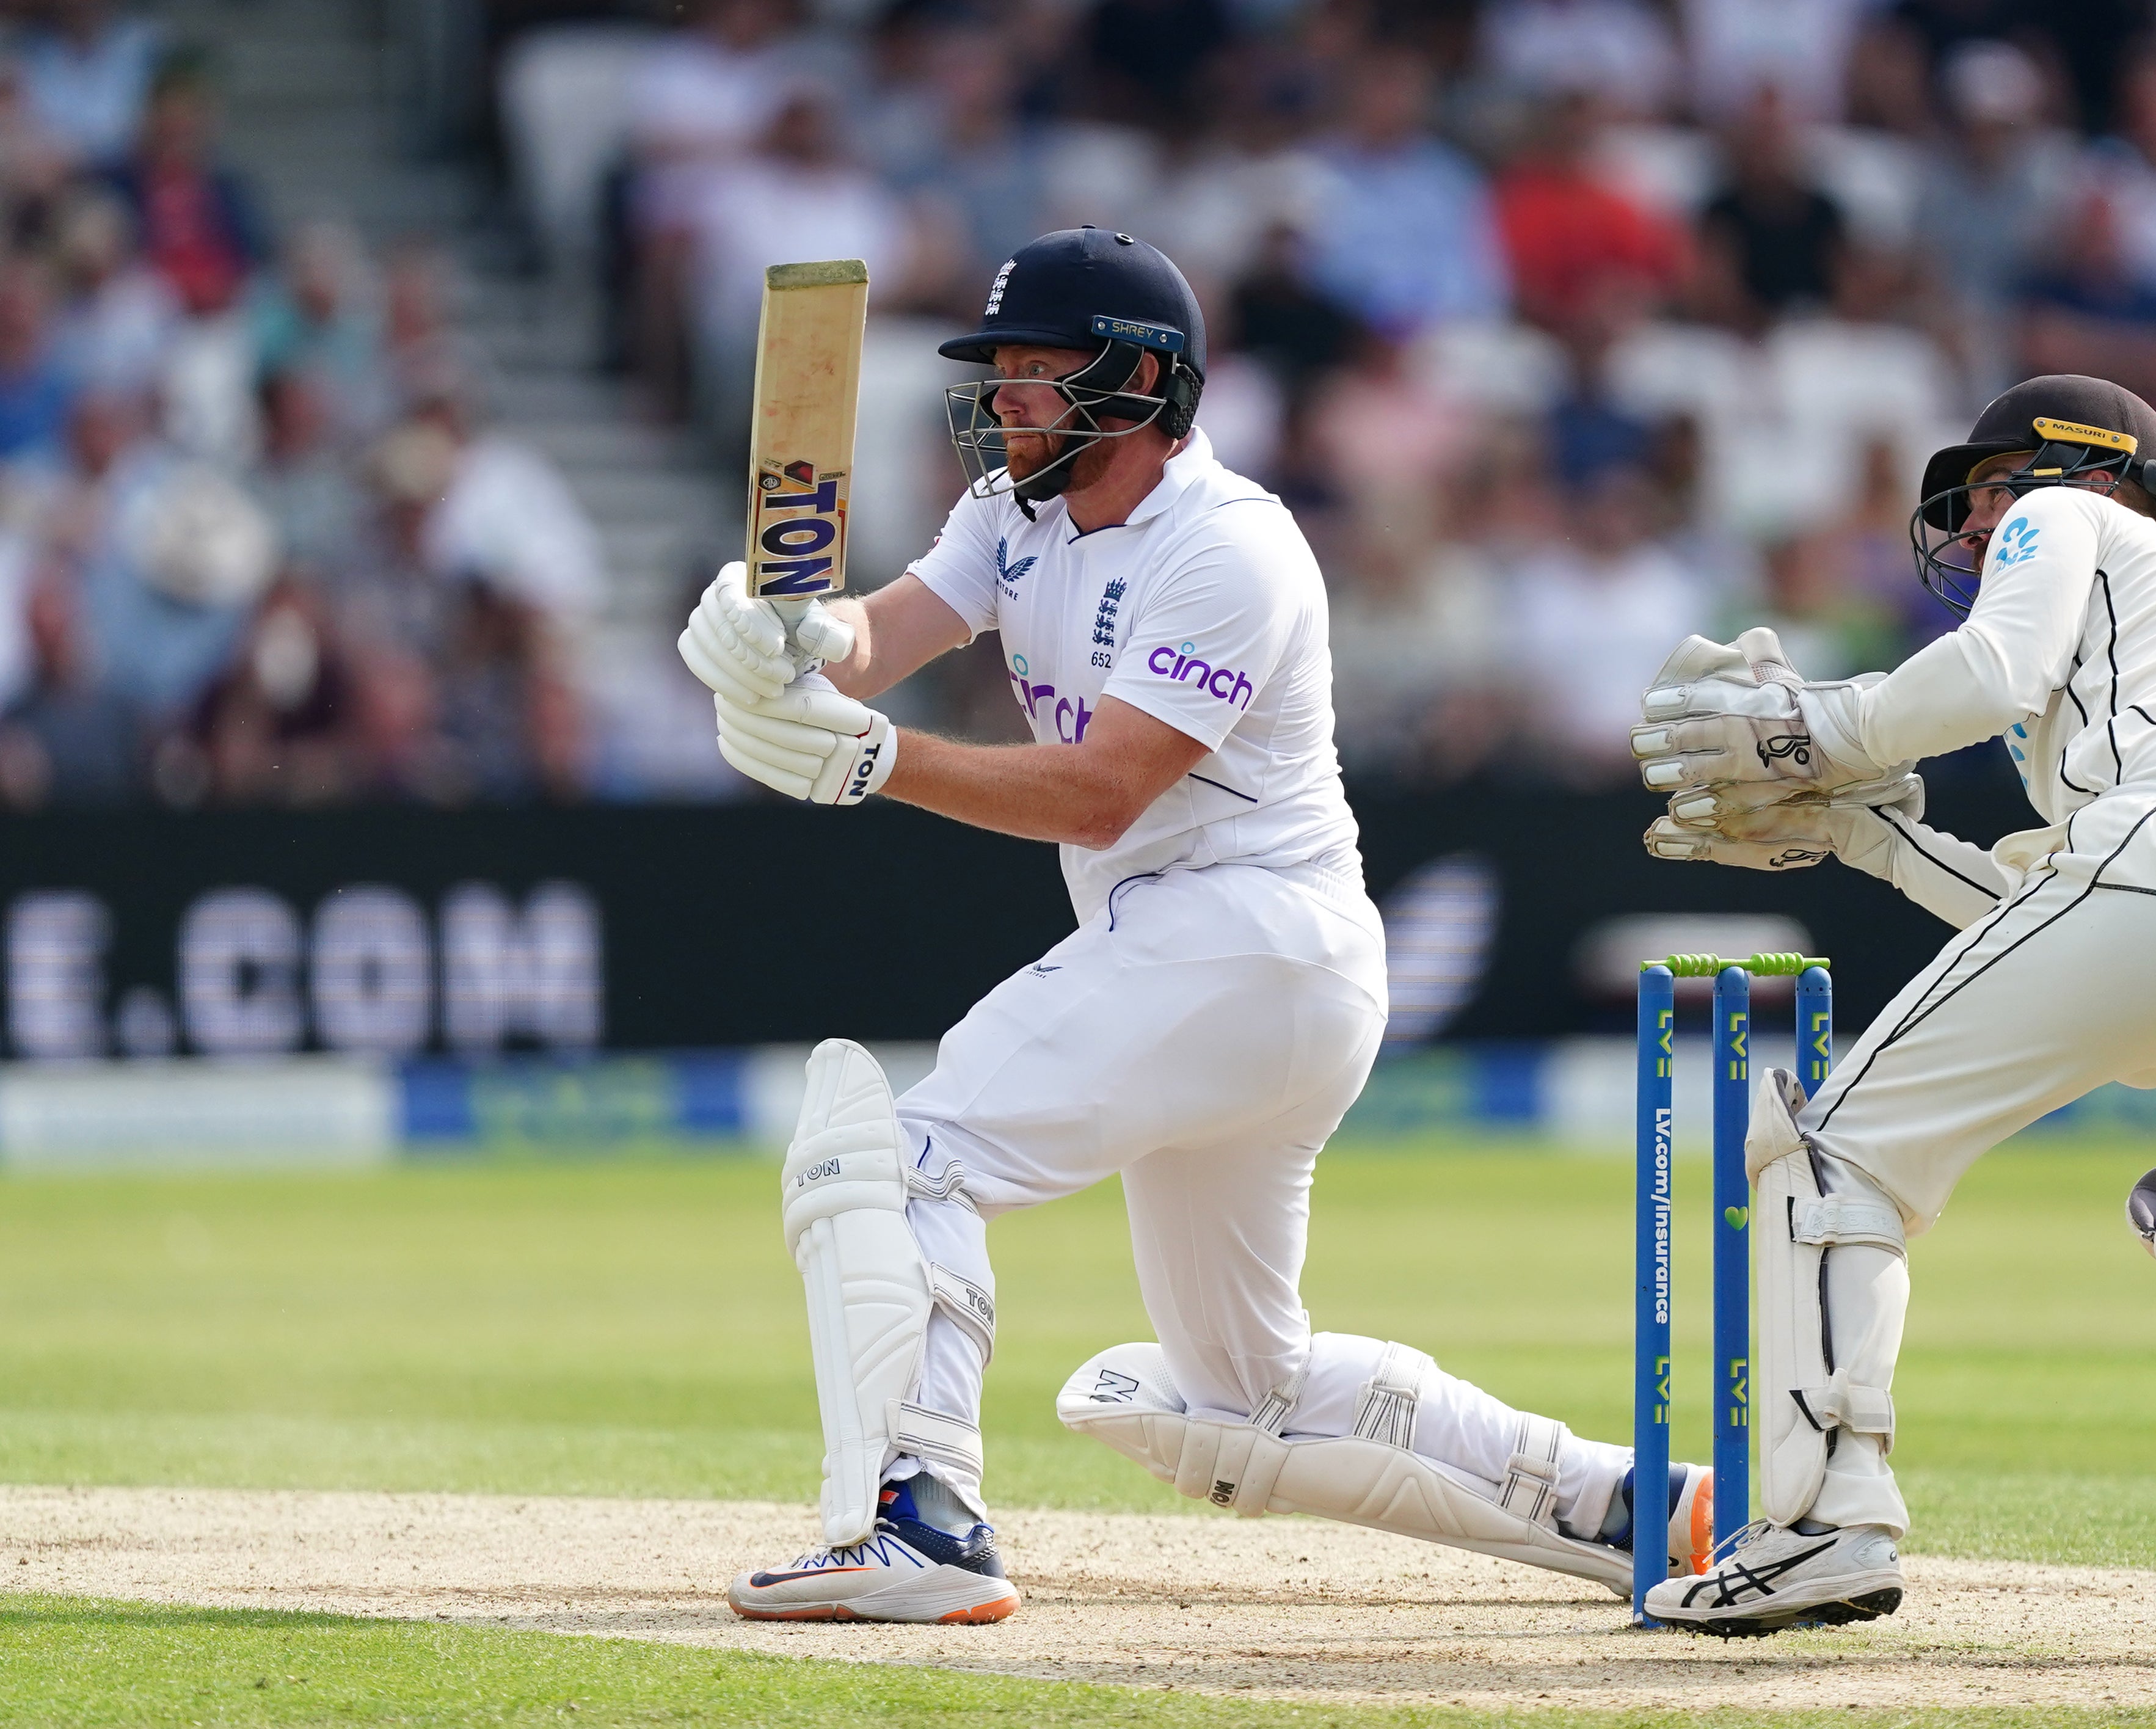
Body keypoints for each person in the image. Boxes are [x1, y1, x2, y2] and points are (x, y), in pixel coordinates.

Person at [675, 228, 1713, 1625]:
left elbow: (1104, 794)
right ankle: (1631, 1503)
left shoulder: (1233, 545)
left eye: (1039, 376)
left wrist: (876, 761)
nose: (1006, 404)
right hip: (1237, 972)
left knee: (902, 1161)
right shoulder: (1011, 514)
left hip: (1250, 935)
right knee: (1242, 1394)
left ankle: (918, 1520)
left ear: (1141, 383)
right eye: (1003, 376)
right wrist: (788, 631)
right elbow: (885, 633)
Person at [1630, 374, 2156, 1664]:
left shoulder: (2071, 519)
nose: (1976, 530)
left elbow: (1991, 674)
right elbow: (2073, 910)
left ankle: (1825, 1523)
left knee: (1830, 1152)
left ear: (2083, 472)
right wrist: (1877, 840)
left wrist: (1814, 731)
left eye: (1986, 493)